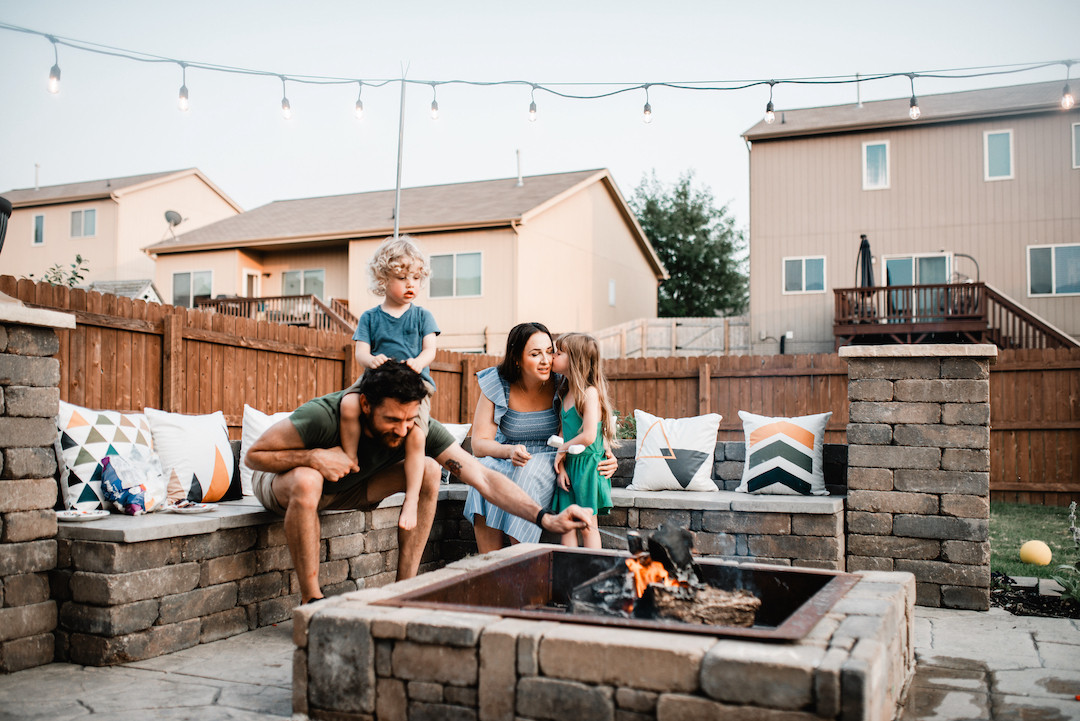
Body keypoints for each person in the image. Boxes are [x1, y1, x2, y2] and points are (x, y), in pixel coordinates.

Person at [246, 361, 596, 605]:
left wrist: (545, 518)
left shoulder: (415, 425)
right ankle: (311, 598)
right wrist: (313, 458)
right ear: (365, 404)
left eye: (409, 419)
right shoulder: (325, 413)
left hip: (349, 487)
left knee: (428, 469)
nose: (402, 429)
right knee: (308, 480)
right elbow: (255, 456)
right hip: (284, 484)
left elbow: (484, 478)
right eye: (391, 419)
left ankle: (404, 589)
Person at [463, 322, 617, 553]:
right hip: (508, 454)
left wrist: (605, 452)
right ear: (517, 358)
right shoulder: (497, 382)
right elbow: (478, 444)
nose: (547, 360)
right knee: (482, 474)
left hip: (549, 454)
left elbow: (587, 420)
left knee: (527, 473)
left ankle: (522, 558)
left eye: (550, 351)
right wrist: (509, 451)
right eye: (536, 354)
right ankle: (490, 563)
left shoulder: (562, 380)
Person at [340, 236, 438, 532]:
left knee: (417, 437)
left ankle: (410, 498)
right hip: (377, 381)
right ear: (383, 280)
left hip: (413, 385)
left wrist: (419, 363)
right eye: (401, 277)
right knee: (347, 404)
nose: (411, 284)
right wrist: (372, 361)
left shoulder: (422, 316)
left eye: (417, 278)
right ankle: (350, 457)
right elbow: (360, 352)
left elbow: (430, 349)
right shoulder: (371, 317)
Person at [550, 332, 616, 548]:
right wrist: (561, 467)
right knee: (568, 523)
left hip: (589, 466)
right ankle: (569, 571)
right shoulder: (564, 392)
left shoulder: (589, 394)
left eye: (559, 353)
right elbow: (562, 434)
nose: (553, 356)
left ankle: (592, 568)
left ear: (575, 360)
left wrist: (561, 452)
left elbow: (588, 436)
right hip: (570, 465)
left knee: (588, 524)